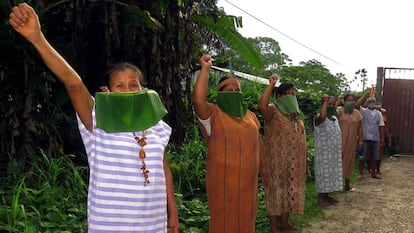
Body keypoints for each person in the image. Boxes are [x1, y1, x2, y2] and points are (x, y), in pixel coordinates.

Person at [9, 3, 180, 233]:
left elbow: (163, 170)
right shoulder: (97, 119)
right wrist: (37, 37)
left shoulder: (156, 126)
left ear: (144, 90)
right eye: (120, 86)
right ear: (106, 92)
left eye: (134, 85)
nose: (128, 90)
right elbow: (73, 82)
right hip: (109, 227)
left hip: (152, 226)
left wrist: (173, 215)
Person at [191, 54, 268, 233]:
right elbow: (198, 100)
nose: (233, 92)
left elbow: (258, 142)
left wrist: (264, 166)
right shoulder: (213, 114)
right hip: (224, 185)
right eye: (227, 89)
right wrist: (205, 69)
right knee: (223, 221)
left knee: (247, 219)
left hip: (248, 183)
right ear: (219, 94)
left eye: (236, 89)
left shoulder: (250, 116)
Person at [258, 75, 307, 233]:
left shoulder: (295, 115)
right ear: (279, 96)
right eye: (289, 94)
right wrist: (271, 85)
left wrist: (304, 159)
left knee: (289, 191)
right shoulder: (272, 110)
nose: (292, 97)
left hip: (294, 164)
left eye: (294, 95)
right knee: (275, 193)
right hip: (275, 163)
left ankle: (284, 222)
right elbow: (261, 106)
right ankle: (274, 226)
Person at [313, 94, 343, 206]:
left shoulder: (334, 118)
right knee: (323, 174)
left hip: (333, 153)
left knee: (331, 174)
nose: (330, 106)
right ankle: (321, 197)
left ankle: (327, 196)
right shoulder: (318, 118)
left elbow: (332, 111)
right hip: (324, 153)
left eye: (331, 104)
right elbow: (323, 117)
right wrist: (325, 102)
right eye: (327, 104)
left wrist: (336, 103)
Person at [337, 93, 363, 190]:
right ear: (344, 101)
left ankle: (347, 184)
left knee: (349, 160)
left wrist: (361, 140)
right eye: (349, 100)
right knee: (338, 161)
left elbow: (360, 128)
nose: (351, 102)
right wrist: (337, 102)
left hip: (352, 141)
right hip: (339, 141)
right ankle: (336, 184)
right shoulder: (339, 110)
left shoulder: (357, 113)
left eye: (353, 100)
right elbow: (330, 115)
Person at [356, 92, 385, 179]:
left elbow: (381, 126)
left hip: (375, 138)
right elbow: (357, 105)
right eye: (370, 101)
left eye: (373, 101)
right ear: (367, 103)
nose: (372, 103)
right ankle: (361, 173)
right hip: (364, 137)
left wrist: (382, 138)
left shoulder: (379, 113)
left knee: (374, 157)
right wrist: (365, 96)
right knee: (362, 156)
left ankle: (373, 173)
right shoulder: (364, 111)